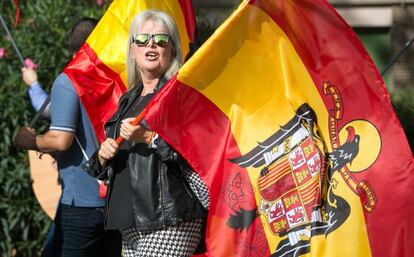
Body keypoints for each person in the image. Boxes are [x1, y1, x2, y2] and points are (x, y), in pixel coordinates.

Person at [84, 10, 209, 257]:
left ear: (172, 50)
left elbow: (199, 154)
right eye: (142, 40)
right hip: (129, 221)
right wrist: (102, 155)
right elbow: (109, 161)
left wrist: (149, 138)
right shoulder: (129, 99)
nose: (151, 45)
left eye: (161, 40)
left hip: (168, 219)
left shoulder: (179, 96)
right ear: (132, 50)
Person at [15, 17, 122, 257]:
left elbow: (60, 139)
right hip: (114, 205)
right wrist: (34, 85)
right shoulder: (115, 81)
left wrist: (31, 141)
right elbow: (59, 111)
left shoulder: (69, 81)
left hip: (80, 204)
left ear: (71, 49)